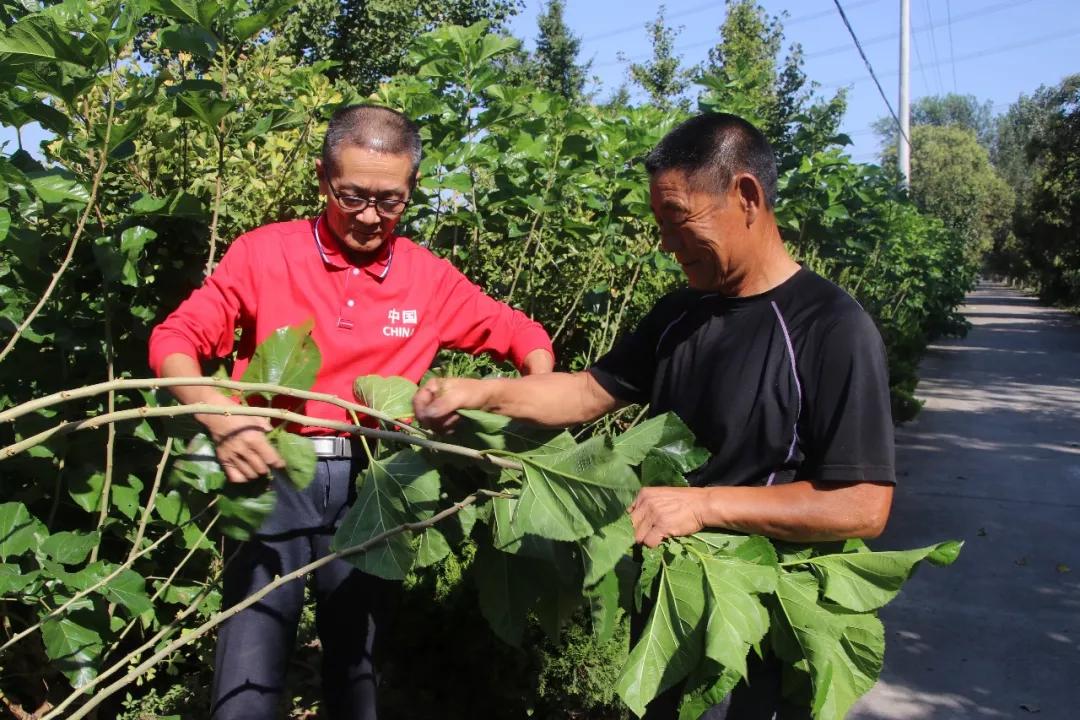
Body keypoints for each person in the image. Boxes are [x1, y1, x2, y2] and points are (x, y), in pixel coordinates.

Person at [412, 112, 895, 719]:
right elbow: (588, 392)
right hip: (671, 591)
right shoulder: (681, 313)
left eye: (678, 218)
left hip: (759, 619)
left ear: (746, 196)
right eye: (658, 222)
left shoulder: (831, 329)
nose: (666, 243)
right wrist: (475, 393)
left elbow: (862, 504)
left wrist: (703, 505)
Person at [148, 104, 554, 720]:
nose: (369, 216)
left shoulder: (428, 278)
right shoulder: (264, 254)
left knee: (357, 663)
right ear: (322, 180)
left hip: (376, 483)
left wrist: (524, 405)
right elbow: (175, 341)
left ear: (412, 189)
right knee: (249, 660)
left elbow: (524, 336)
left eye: (389, 201)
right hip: (271, 467)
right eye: (352, 196)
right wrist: (222, 418)